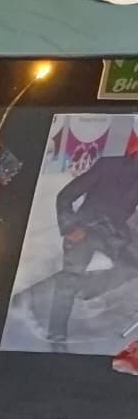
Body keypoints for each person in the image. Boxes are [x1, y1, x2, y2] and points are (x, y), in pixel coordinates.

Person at [47, 146, 138, 344]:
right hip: (83, 230)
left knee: (132, 267)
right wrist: (70, 227)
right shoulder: (108, 165)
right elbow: (65, 196)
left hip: (113, 236)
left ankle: (84, 290)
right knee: (70, 277)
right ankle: (56, 332)